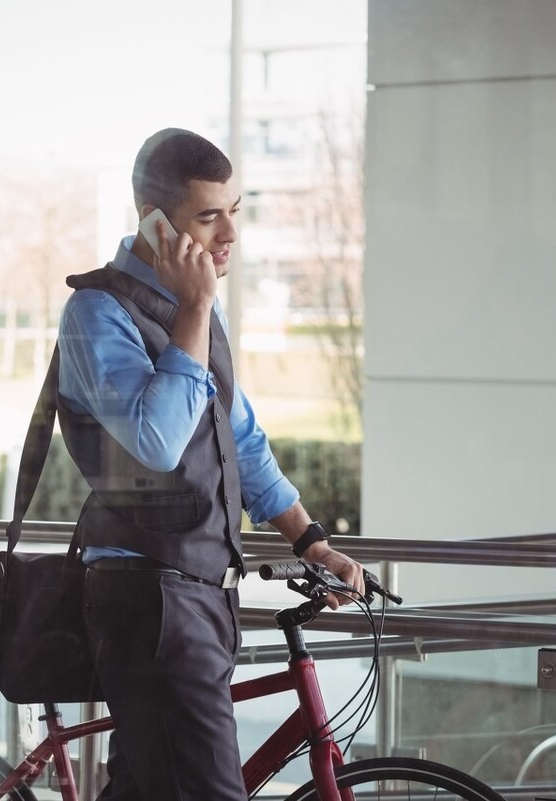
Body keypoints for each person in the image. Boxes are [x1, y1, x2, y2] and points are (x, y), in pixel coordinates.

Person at [55, 127, 364, 801]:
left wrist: (311, 539)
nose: (230, 234)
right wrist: (195, 309)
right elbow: (157, 441)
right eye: (208, 215)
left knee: (145, 786)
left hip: (197, 595)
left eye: (236, 210)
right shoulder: (96, 311)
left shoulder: (192, 312)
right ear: (155, 221)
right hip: (149, 601)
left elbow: (241, 439)